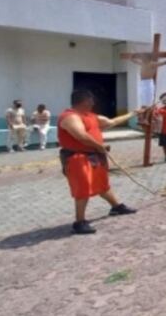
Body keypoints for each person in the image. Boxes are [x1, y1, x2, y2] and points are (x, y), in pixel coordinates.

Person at [57, 90, 139, 234]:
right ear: (84, 101)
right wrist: (99, 146)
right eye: (91, 100)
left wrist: (134, 113)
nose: (94, 103)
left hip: (94, 156)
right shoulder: (70, 116)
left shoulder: (91, 116)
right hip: (78, 158)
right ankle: (79, 222)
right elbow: (81, 136)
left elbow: (112, 122)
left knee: (102, 184)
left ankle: (116, 206)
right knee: (83, 188)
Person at [128, 52, 166, 125]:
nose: (142, 58)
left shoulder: (152, 64)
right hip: (142, 83)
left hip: (148, 84)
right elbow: (134, 61)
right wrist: (131, 57)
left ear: (147, 58)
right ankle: (141, 119)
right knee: (143, 103)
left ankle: (146, 119)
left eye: (144, 57)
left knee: (150, 104)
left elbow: (165, 62)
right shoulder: (143, 63)